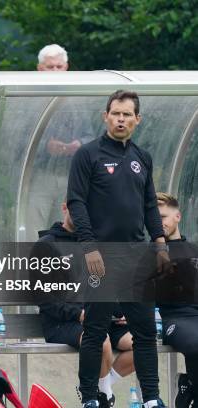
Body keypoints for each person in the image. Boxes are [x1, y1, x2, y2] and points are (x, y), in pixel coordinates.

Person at [67, 90, 170, 408]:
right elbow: (76, 202)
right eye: (116, 113)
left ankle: (151, 398)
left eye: (127, 114)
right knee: (95, 331)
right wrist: (90, 247)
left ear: (137, 119)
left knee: (144, 331)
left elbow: (150, 203)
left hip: (136, 256)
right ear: (105, 116)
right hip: (100, 256)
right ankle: (89, 398)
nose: (121, 119)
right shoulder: (88, 155)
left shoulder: (142, 157)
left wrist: (160, 243)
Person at [37, 202, 135, 407]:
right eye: (77, 209)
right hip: (63, 321)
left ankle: (103, 388)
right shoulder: (47, 245)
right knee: (100, 340)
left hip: (99, 316)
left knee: (143, 342)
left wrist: (122, 311)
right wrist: (80, 314)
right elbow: (46, 300)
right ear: (65, 208)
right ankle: (101, 397)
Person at [27, 43, 95, 238]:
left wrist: (78, 145)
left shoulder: (78, 98)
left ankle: (63, 266)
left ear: (66, 68)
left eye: (59, 66)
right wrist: (46, 146)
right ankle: (33, 266)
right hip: (39, 175)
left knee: (67, 225)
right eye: (50, 67)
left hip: (70, 176)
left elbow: (90, 135)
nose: (55, 71)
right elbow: (19, 140)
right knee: (34, 224)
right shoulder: (28, 97)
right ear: (40, 69)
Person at [155, 192, 198, 408]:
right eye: (154, 218)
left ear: (178, 217)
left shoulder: (193, 251)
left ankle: (190, 387)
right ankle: (189, 386)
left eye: (163, 217)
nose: (158, 222)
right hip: (175, 319)